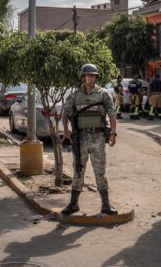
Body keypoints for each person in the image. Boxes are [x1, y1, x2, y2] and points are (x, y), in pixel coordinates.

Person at [61, 63, 118, 216]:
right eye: (87, 75)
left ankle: (106, 205)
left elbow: (112, 114)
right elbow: (65, 113)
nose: (90, 77)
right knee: (78, 170)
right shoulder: (75, 95)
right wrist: (66, 130)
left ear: (96, 77)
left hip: (98, 137)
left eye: (93, 75)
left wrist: (113, 133)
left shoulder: (103, 94)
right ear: (83, 77)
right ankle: (73, 204)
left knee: (100, 171)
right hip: (80, 137)